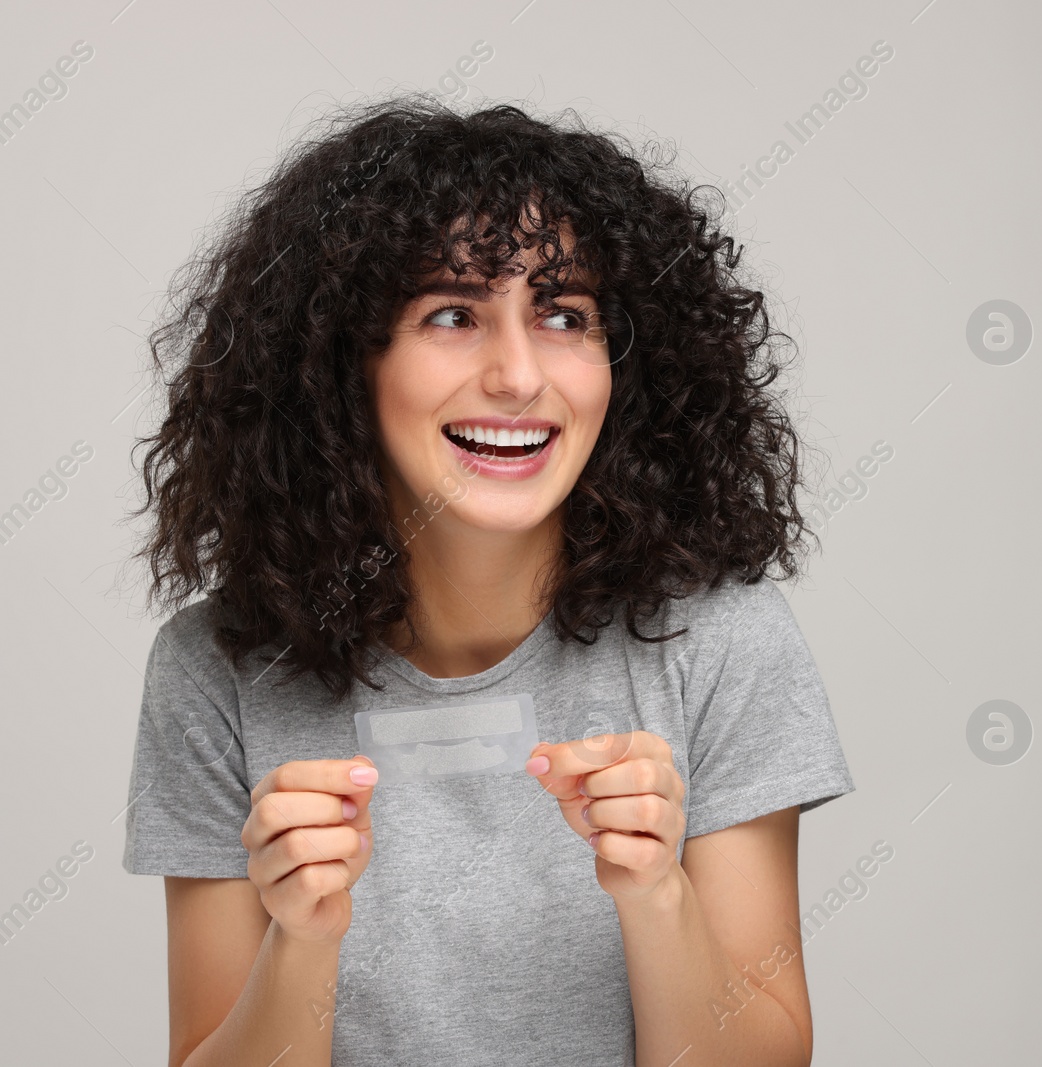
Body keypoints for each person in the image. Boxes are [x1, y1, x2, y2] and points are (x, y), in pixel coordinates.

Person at [121, 93, 854, 1067]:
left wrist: (656, 894)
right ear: (344, 361)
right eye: (453, 313)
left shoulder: (724, 641)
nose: (517, 374)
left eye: (563, 313)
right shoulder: (214, 671)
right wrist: (302, 938)